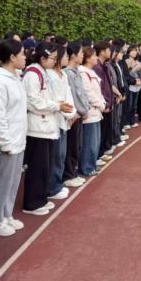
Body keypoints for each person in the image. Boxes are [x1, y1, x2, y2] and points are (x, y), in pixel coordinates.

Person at [0, 39, 28, 238]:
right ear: (12, 57)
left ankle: (7, 213)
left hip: (19, 138)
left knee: (13, 182)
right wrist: (5, 142)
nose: (25, 57)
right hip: (7, 142)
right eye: (22, 54)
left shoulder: (16, 77)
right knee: (2, 183)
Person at [22, 42, 61, 217]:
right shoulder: (32, 74)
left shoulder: (43, 72)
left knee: (45, 167)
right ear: (42, 58)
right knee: (37, 168)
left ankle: (41, 198)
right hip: (37, 127)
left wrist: (57, 105)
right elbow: (33, 102)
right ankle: (32, 203)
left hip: (46, 126)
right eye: (53, 58)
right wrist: (56, 105)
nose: (55, 61)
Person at [47, 46, 76, 200]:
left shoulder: (63, 74)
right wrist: (67, 112)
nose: (67, 58)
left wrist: (71, 113)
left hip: (65, 117)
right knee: (56, 155)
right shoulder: (50, 75)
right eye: (65, 56)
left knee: (62, 154)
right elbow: (56, 99)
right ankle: (53, 187)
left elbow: (68, 96)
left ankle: (57, 184)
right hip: (56, 118)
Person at [63, 42, 90, 189]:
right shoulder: (68, 74)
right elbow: (74, 96)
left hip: (79, 114)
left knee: (77, 145)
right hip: (74, 115)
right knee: (72, 146)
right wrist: (81, 111)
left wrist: (85, 109)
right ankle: (68, 175)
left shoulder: (76, 72)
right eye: (81, 53)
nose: (83, 55)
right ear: (73, 55)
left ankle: (73, 172)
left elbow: (82, 93)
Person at [80, 48, 106, 177]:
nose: (96, 58)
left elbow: (98, 91)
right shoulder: (82, 72)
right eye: (94, 55)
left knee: (95, 142)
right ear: (88, 58)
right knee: (89, 143)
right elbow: (88, 93)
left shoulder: (91, 72)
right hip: (90, 112)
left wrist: (102, 102)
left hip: (97, 112)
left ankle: (92, 164)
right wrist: (100, 104)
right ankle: (86, 167)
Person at [93, 42, 115, 161]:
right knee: (100, 130)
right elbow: (100, 88)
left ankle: (101, 152)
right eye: (108, 50)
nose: (110, 52)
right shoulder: (97, 67)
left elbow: (108, 85)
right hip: (102, 103)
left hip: (107, 101)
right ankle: (98, 154)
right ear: (102, 52)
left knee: (105, 129)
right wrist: (105, 102)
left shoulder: (104, 65)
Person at [125, 47, 141, 128]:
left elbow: (140, 74)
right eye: (133, 50)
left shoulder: (138, 62)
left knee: (134, 105)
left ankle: (132, 121)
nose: (134, 52)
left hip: (137, 85)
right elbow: (129, 74)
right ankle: (127, 122)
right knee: (129, 104)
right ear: (128, 51)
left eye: (136, 51)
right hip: (130, 85)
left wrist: (140, 70)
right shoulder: (126, 61)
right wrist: (135, 68)